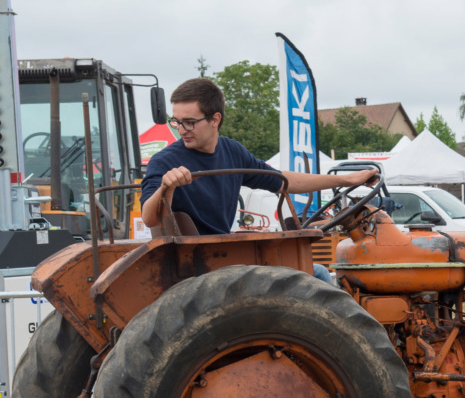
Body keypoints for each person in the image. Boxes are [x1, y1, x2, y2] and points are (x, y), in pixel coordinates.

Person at [140, 78, 375, 282]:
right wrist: (165, 188)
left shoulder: (232, 152)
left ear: (215, 119)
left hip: (225, 254)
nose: (181, 130)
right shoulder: (164, 162)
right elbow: (149, 218)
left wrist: (346, 180)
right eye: (177, 122)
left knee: (312, 271)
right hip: (201, 263)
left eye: (189, 122)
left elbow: (281, 181)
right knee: (318, 275)